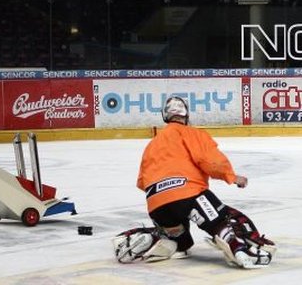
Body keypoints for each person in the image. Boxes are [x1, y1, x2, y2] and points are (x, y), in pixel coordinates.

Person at [113, 96, 276, 269]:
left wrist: (166, 192)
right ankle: (239, 249)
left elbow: (142, 182)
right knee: (223, 221)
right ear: (186, 115)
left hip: (156, 204)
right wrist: (232, 176)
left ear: (165, 116)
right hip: (188, 194)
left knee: (182, 242)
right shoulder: (192, 133)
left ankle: (164, 239)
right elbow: (210, 161)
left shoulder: (152, 144)